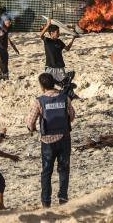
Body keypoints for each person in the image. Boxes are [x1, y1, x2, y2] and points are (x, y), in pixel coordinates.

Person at [27, 73, 76, 209]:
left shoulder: (39, 101)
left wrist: (32, 129)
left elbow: (31, 121)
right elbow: (71, 116)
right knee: (64, 169)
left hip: (47, 140)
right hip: (64, 137)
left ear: (42, 86)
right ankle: (63, 198)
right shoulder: (64, 97)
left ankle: (46, 201)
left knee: (47, 171)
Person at [40, 19, 77, 99]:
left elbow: (67, 48)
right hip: (50, 67)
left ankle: (71, 96)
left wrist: (73, 39)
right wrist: (48, 25)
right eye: (57, 32)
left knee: (66, 83)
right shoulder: (47, 41)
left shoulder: (59, 41)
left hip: (60, 67)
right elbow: (41, 35)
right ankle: (47, 97)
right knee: (47, 83)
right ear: (51, 33)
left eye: (59, 32)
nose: (59, 34)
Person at [0, 16, 19, 83]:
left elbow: (7, 38)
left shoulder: (6, 28)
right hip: (0, 52)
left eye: (10, 21)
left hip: (5, 51)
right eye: (8, 21)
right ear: (3, 21)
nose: (10, 22)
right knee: (5, 71)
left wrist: (14, 47)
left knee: (4, 69)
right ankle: (5, 82)